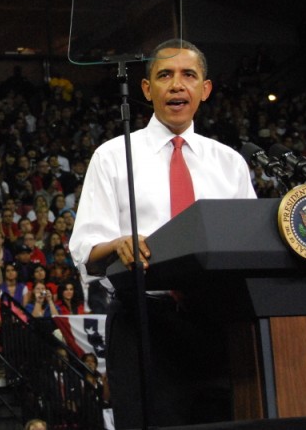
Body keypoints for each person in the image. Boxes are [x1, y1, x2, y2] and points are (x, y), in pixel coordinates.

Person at [68, 39, 256, 428]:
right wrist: (118, 244)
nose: (176, 85)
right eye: (164, 75)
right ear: (146, 88)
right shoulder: (113, 155)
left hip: (218, 324)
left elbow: (248, 243)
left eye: (189, 75)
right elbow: (85, 246)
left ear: (205, 89)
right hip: (144, 322)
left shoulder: (230, 163)